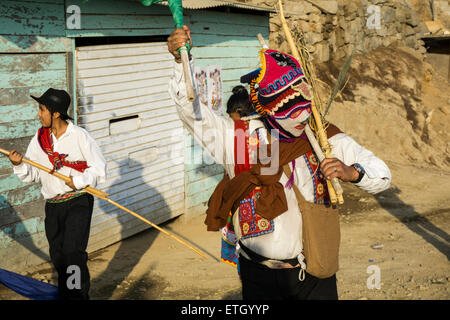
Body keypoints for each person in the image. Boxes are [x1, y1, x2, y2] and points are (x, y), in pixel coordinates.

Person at [167, 26, 391, 300]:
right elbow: (192, 112)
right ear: (266, 106)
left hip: (311, 275)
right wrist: (182, 62)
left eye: (302, 101)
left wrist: (352, 172)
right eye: (287, 104)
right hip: (255, 274)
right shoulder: (239, 138)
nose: (299, 114)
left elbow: (382, 176)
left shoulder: (323, 137)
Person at [8, 88, 107, 300]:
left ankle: (78, 296)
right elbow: (33, 174)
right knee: (59, 256)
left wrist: (78, 181)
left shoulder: (79, 136)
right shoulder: (40, 138)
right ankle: (67, 294)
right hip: (53, 205)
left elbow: (99, 169)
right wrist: (18, 165)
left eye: (41, 109)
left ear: (55, 113)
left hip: (77, 201)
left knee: (73, 253)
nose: (38, 114)